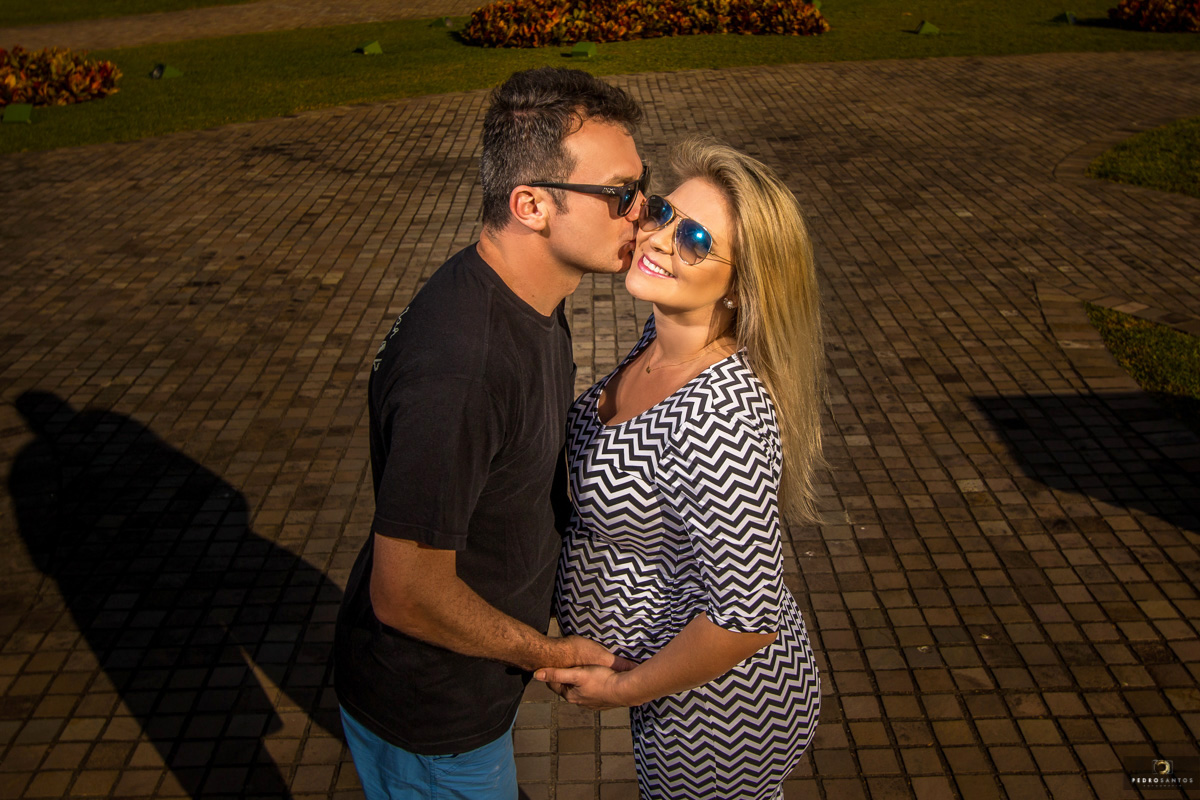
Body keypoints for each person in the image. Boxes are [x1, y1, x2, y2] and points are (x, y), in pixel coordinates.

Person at [334, 67, 648, 799]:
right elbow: (405, 592)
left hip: (470, 689)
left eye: (641, 187)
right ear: (531, 204)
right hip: (435, 717)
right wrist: (546, 653)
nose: (642, 213)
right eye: (618, 194)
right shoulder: (463, 368)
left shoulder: (528, 300)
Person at [536, 137, 824, 800]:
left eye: (696, 240)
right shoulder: (662, 337)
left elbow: (746, 617)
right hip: (678, 691)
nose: (660, 239)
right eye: (664, 212)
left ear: (740, 286)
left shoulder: (722, 414)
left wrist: (622, 690)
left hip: (722, 711)